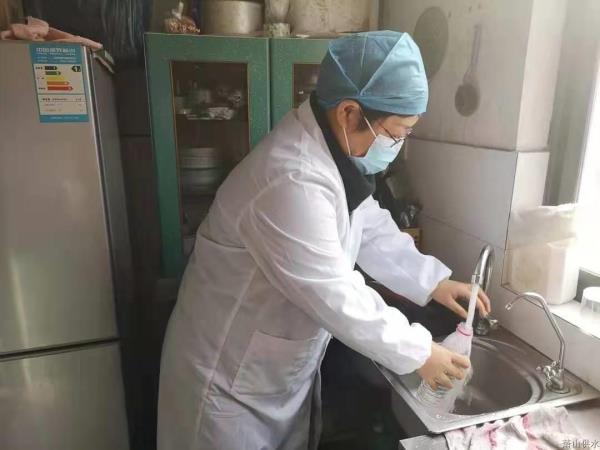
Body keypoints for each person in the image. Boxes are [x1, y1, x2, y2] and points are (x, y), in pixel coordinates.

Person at [157, 30, 491, 450]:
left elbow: (369, 226)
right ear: (349, 113)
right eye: (396, 133)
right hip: (225, 385)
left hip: (266, 374)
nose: (398, 145)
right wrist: (420, 352)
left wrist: (433, 282)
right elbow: (334, 292)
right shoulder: (290, 177)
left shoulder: (333, 157)